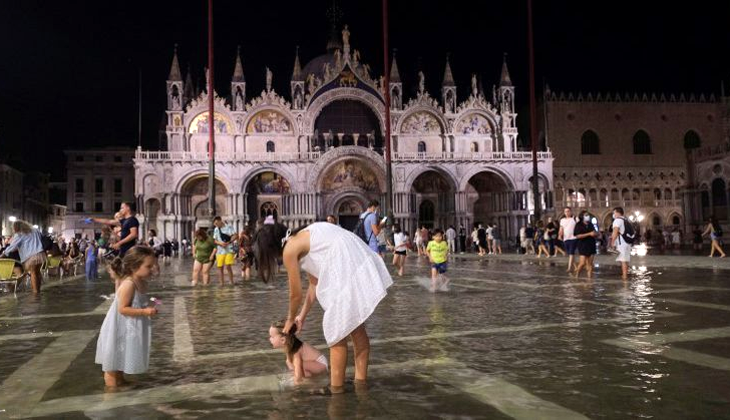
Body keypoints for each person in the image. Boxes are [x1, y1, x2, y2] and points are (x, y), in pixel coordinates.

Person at [252, 222, 392, 393]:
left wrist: (290, 320)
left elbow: (295, 294)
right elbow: (314, 284)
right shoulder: (303, 237)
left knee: (336, 334)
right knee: (356, 328)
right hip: (354, 255)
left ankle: (336, 390)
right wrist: (301, 316)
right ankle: (360, 382)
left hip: (344, 261)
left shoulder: (289, 249)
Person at [95, 246, 158, 389]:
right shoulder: (129, 284)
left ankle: (121, 382)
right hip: (119, 326)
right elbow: (122, 309)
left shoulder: (142, 283)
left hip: (130, 326)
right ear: (134, 267)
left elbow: (136, 302)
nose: (152, 269)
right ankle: (111, 391)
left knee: (122, 355)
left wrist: (148, 306)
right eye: (148, 266)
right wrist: (144, 312)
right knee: (112, 362)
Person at [269, 319, 328, 384]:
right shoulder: (290, 346)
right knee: (289, 363)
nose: (269, 339)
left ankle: (309, 382)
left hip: (321, 364)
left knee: (295, 366)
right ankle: (307, 377)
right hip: (314, 364)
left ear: (283, 340)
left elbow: (298, 367)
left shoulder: (296, 352)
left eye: (272, 337)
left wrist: (296, 383)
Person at [1, 221, 47, 293]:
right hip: (40, 254)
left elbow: (12, 247)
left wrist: (3, 254)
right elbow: (41, 238)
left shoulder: (20, 234)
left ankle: (35, 292)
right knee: (37, 272)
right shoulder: (35, 230)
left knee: (33, 273)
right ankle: (38, 290)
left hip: (30, 256)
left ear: (16, 228)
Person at [213, 216, 238, 285]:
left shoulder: (229, 227)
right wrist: (220, 243)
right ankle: (221, 283)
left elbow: (235, 236)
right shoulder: (216, 229)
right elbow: (214, 240)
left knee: (228, 265)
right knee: (220, 267)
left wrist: (229, 242)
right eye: (215, 224)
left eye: (216, 223)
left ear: (220, 220)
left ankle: (231, 282)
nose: (216, 225)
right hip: (220, 250)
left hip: (229, 249)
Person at [573, 210, 598, 277]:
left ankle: (589, 279)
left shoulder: (590, 224)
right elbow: (577, 236)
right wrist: (589, 234)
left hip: (591, 244)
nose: (588, 216)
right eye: (586, 215)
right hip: (583, 245)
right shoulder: (578, 225)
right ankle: (577, 274)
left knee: (590, 263)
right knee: (582, 263)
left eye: (588, 215)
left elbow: (594, 232)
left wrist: (596, 234)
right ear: (582, 216)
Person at [609, 207, 632, 278]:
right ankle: (625, 276)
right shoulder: (625, 220)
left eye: (614, 213)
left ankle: (624, 278)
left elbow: (615, 232)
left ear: (617, 213)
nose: (613, 214)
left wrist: (612, 242)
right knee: (626, 260)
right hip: (627, 242)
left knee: (623, 261)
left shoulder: (617, 220)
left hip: (622, 243)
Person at [559, 207, 578, 272]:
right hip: (566, 238)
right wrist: (559, 235)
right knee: (569, 253)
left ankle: (569, 268)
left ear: (571, 212)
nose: (567, 213)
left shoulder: (575, 219)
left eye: (568, 211)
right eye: (565, 211)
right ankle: (575, 267)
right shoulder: (562, 220)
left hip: (573, 238)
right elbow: (561, 229)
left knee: (571, 253)